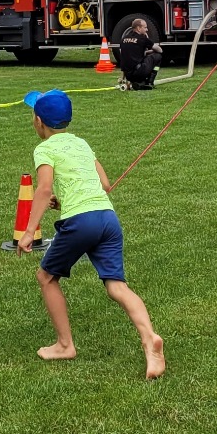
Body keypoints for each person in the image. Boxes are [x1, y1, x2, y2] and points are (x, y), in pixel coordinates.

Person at [16, 88, 166, 379]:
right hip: (108, 218)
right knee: (116, 286)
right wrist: (66, 200)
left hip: (81, 222)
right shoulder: (82, 143)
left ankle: (64, 345)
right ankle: (149, 337)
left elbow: (44, 189)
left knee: (46, 277)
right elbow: (105, 185)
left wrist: (29, 231)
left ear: (38, 121)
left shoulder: (44, 149)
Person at [113, 15, 163, 91]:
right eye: (145, 27)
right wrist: (152, 51)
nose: (147, 30)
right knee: (158, 56)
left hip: (128, 75)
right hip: (139, 72)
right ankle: (149, 82)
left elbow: (130, 54)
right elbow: (160, 50)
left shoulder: (124, 39)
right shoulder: (142, 39)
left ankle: (138, 83)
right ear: (139, 28)